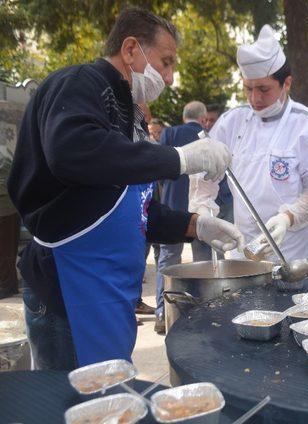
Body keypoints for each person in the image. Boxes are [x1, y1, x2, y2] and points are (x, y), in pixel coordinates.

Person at [8, 7, 243, 370]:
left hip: (109, 291)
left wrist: (195, 225)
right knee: (74, 404)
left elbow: (130, 209)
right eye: (165, 63)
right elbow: (72, 152)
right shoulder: (79, 84)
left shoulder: (128, 113)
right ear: (131, 49)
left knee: (111, 395)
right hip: (67, 287)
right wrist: (178, 158)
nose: (169, 77)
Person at [191, 25, 308, 267]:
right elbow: (203, 177)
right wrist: (203, 213)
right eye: (248, 88)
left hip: (294, 254)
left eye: (264, 89)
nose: (255, 98)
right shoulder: (230, 122)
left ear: (286, 83)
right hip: (241, 253)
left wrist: (287, 218)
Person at [155, 100, 212, 334]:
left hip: (171, 206)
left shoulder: (168, 134)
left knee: (168, 260)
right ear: (203, 119)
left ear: (184, 117)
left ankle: (162, 312)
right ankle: (207, 307)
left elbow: (159, 167)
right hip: (200, 209)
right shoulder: (205, 136)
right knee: (204, 260)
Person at [0, 142, 19, 299]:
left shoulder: (3, 156)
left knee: (5, 251)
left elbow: (7, 183)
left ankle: (8, 286)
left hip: (6, 212)